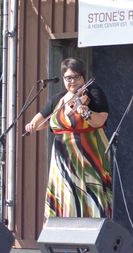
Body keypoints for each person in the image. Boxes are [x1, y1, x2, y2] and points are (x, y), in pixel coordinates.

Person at [25, 57, 112, 221]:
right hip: (62, 159)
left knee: (89, 196)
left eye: (76, 77)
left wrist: (83, 110)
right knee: (65, 196)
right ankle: (66, 239)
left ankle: (91, 239)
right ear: (63, 78)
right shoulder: (58, 99)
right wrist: (32, 125)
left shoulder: (93, 93)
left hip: (88, 157)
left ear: (83, 76)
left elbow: (100, 120)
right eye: (68, 78)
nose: (72, 81)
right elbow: (41, 120)